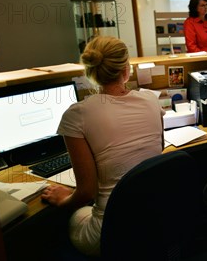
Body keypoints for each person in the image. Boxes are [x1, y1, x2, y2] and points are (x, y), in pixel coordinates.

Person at [40, 36, 164, 256]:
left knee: (71, 217)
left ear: (91, 73)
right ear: (126, 70)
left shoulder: (77, 114)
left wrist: (63, 199)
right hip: (155, 216)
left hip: (111, 231)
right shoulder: (151, 100)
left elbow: (86, 192)